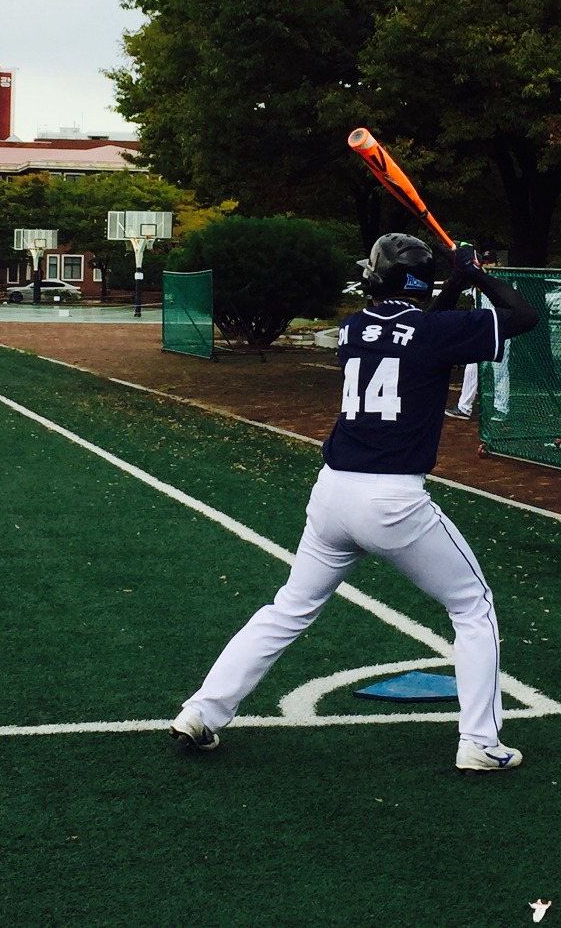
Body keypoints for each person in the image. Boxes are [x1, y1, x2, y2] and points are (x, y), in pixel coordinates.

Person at [170, 233, 539, 771]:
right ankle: (480, 742)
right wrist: (475, 273)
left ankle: (202, 710)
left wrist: (454, 280)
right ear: (419, 283)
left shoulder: (352, 328)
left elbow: (417, 333)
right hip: (393, 500)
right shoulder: (432, 332)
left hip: (333, 493)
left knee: (289, 609)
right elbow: (523, 316)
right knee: (472, 606)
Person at [447, 250, 509, 421]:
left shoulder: (503, 281)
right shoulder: (478, 282)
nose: (487, 265)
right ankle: (464, 407)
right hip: (481, 331)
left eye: (490, 262)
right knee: (471, 368)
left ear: (498, 264)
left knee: (500, 371)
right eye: (485, 262)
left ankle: (501, 409)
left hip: (500, 330)